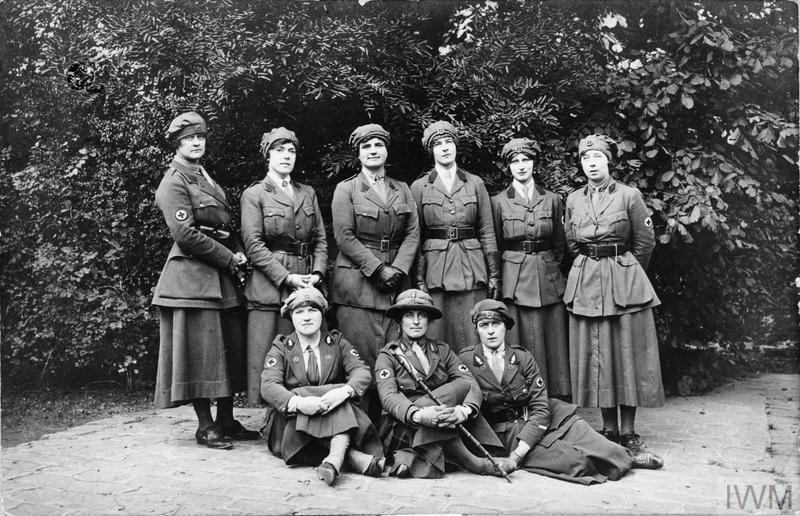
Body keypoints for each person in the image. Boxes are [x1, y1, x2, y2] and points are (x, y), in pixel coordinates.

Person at [459, 299, 664, 485]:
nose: (491, 331)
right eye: (484, 326)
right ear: (477, 330)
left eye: (496, 324)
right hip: (507, 433)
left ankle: (627, 458)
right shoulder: (467, 361)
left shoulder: (522, 358)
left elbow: (540, 407)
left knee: (587, 434)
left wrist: (518, 454)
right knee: (575, 463)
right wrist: (516, 456)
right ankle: (608, 464)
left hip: (542, 416)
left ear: (505, 327)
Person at [152, 111, 259, 449]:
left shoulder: (203, 176)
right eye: (188, 139)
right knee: (200, 351)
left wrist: (238, 251)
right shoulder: (174, 180)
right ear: (177, 143)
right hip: (191, 277)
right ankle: (205, 426)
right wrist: (229, 257)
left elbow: (222, 224)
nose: (196, 142)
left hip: (219, 274)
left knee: (228, 345)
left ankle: (226, 419)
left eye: (199, 137)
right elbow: (184, 234)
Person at [564, 133, 665, 454]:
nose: (591, 164)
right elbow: (570, 242)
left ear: (608, 161)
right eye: (585, 159)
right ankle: (608, 428)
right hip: (588, 280)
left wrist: (627, 272)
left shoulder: (629, 195)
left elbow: (644, 242)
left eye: (597, 158)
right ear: (581, 164)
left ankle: (630, 431)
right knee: (599, 352)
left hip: (623, 280)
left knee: (626, 351)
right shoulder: (573, 199)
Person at [330, 123, 420, 420]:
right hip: (358, 285)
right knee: (361, 358)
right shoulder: (347, 189)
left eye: (378, 145)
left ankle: (395, 424)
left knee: (396, 356)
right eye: (366, 146)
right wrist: (378, 269)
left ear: (386, 150)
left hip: (395, 281)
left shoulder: (402, 188)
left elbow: (412, 234)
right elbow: (344, 236)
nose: (372, 151)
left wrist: (398, 268)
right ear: (358, 154)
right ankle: (360, 427)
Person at [375, 289, 515, 479]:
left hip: (442, 421)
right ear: (400, 321)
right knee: (433, 404)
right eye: (409, 315)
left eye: (422, 315)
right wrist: (419, 414)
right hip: (406, 425)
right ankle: (474, 463)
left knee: (461, 386)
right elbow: (388, 396)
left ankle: (410, 459)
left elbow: (469, 383)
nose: (416, 321)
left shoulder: (442, 350)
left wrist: (463, 411)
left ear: (429, 320)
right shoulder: (389, 355)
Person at [260, 287, 385, 486]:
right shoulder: (282, 346)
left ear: (322, 314)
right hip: (292, 424)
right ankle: (348, 456)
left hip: (333, 411)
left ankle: (332, 462)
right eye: (299, 312)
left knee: (339, 395)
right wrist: (299, 402)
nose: (307, 317)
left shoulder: (336, 342)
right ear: (291, 317)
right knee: (302, 393)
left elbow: (361, 372)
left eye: (313, 310)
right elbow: (268, 385)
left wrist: (343, 392)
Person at [240, 127, 327, 406]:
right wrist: (286, 277)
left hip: (307, 282)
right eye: (279, 150)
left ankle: (301, 409)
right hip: (271, 284)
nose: (286, 156)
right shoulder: (255, 194)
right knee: (266, 352)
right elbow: (253, 244)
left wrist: (317, 274)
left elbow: (322, 239)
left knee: (303, 351)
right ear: (268, 155)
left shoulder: (307, 192)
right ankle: (268, 415)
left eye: (291, 151)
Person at [410, 120, 500, 353]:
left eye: (449, 141)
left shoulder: (475, 183)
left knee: (472, 329)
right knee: (439, 330)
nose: (445, 147)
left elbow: (487, 231)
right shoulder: (420, 187)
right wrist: (419, 279)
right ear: (432, 150)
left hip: (472, 266)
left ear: (456, 146)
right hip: (436, 269)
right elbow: (415, 237)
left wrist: (494, 274)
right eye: (438, 144)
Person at [490, 137, 570, 398]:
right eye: (515, 161)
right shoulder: (499, 202)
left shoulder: (553, 199)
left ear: (534, 163)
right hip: (515, 279)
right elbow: (497, 244)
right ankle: (520, 398)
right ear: (508, 167)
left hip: (547, 277)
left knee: (553, 340)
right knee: (518, 339)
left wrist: (548, 265)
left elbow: (560, 243)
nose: (521, 166)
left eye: (526, 160)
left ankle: (556, 399)